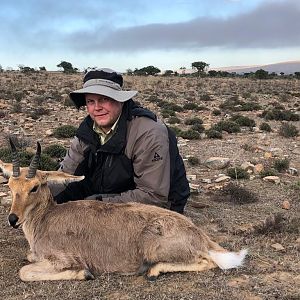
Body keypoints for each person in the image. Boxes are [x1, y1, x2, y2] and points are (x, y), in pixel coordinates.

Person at [50, 68, 190, 213]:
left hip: (158, 208)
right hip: (109, 192)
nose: (97, 108)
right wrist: (36, 194)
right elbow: (66, 175)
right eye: (91, 101)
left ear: (120, 100)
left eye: (104, 99)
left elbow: (153, 196)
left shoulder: (148, 133)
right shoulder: (87, 130)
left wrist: (93, 205)